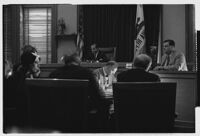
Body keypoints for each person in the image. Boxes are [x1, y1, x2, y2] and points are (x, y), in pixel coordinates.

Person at [49, 53, 110, 131]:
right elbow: (97, 96)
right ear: (78, 62)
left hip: (58, 116)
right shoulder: (87, 73)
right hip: (81, 117)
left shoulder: (53, 74)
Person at [11, 45, 41, 127]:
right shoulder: (20, 70)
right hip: (21, 107)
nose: (37, 62)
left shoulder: (32, 70)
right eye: (34, 59)